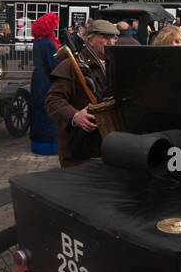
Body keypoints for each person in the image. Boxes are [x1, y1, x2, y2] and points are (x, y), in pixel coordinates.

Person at [45, 18, 119, 167]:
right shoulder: (72, 66)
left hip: (107, 144)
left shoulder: (115, 63)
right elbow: (52, 101)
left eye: (114, 38)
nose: (111, 42)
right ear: (90, 41)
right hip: (79, 148)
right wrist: (74, 115)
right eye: (105, 37)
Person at [25, 12, 63, 157]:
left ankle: (39, 143)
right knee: (48, 110)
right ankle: (48, 145)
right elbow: (52, 63)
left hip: (38, 77)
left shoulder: (38, 41)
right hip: (46, 79)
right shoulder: (48, 43)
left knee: (39, 109)